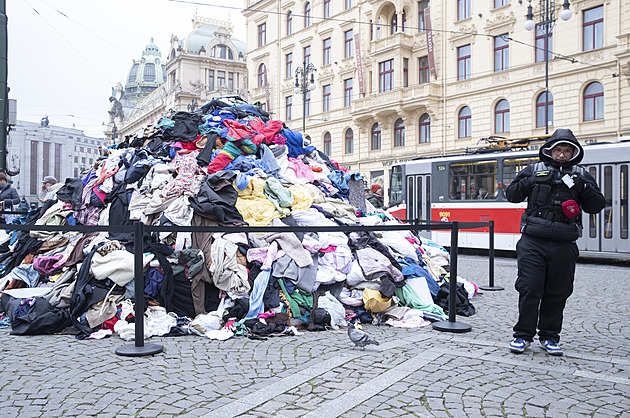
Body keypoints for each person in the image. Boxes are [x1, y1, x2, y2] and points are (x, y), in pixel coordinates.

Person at [506, 128, 605, 356]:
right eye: (558, 150)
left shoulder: (581, 174)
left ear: (573, 153)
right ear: (549, 151)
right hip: (533, 241)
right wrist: (532, 180)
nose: (561, 155)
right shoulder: (534, 169)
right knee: (529, 288)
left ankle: (549, 337)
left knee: (557, 291)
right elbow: (512, 195)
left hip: (564, 242)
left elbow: (597, 206)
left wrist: (583, 187)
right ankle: (522, 336)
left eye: (567, 151)